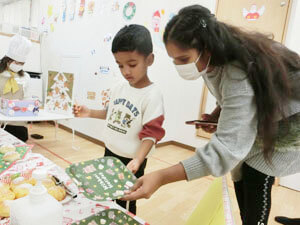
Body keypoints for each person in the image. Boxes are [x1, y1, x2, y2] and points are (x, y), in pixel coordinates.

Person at [122, 5, 300, 225]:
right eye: (174, 59)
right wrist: (218, 114)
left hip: (293, 119)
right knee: (241, 170)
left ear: (207, 49)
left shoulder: (238, 73)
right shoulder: (211, 59)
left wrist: (161, 177)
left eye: (183, 59)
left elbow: (226, 151)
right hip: (271, 112)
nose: (178, 66)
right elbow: (229, 97)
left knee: (256, 170)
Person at [73, 24, 165, 214]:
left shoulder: (152, 94)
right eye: (120, 65)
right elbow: (110, 113)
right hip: (110, 152)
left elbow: (151, 133)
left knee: (126, 200)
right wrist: (89, 112)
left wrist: (138, 159)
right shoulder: (118, 88)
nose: (125, 71)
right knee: (107, 194)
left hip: (131, 160)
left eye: (132, 64)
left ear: (149, 60)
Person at [0, 34, 32, 142]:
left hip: (17, 121)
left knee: (20, 137)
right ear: (8, 60)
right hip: (1, 120)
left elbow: (27, 98)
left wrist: (26, 105)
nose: (19, 65)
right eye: (17, 63)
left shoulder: (25, 77)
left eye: (22, 63)